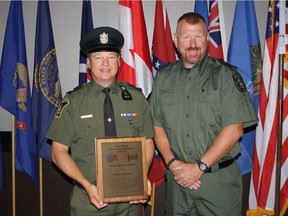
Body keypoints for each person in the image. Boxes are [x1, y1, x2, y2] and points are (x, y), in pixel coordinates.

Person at [149, 12, 258, 216]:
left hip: (218, 184)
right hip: (177, 181)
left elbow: (234, 129)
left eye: (198, 36)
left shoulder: (226, 76)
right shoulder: (163, 78)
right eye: (186, 37)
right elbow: (156, 125)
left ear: (207, 39)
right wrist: (173, 164)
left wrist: (198, 167)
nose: (192, 43)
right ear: (175, 39)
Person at [46, 26, 155, 216]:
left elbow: (147, 142)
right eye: (98, 57)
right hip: (89, 202)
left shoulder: (137, 99)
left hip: (129, 204)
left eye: (111, 57)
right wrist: (87, 185)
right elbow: (58, 153)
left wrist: (140, 177)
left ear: (119, 61)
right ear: (88, 62)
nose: (105, 63)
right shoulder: (72, 102)